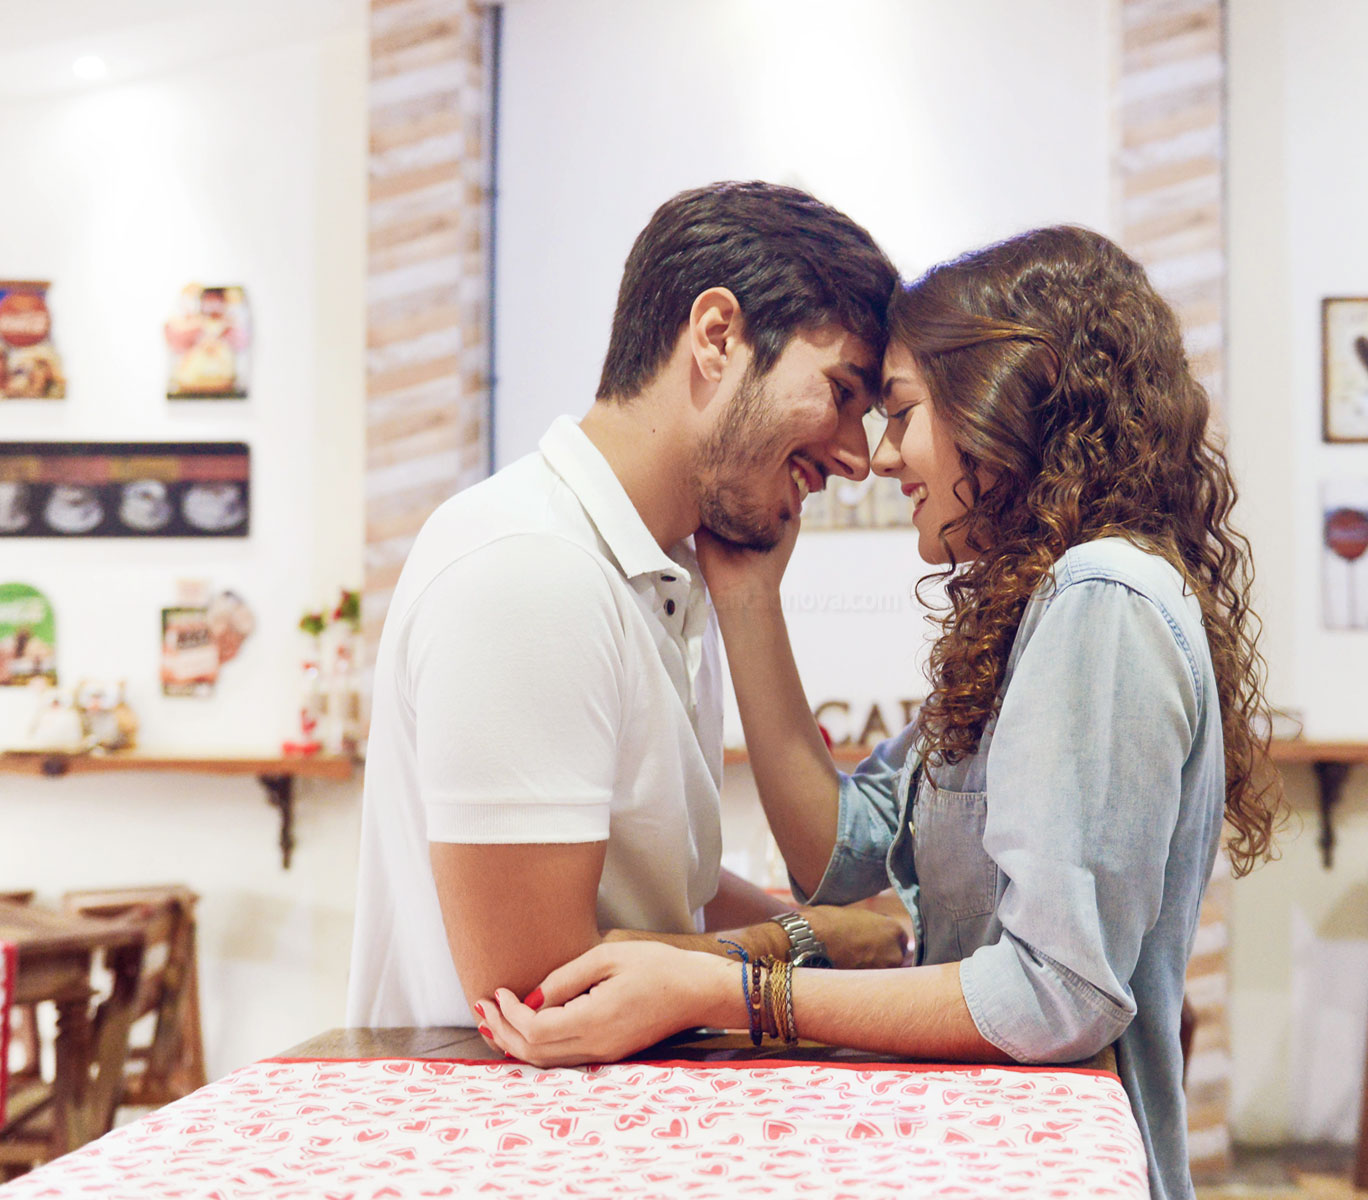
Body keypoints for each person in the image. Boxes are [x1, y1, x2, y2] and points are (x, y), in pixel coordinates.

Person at [476, 226, 1284, 1200]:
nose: (879, 455)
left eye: (898, 412)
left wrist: (726, 987)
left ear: (1002, 400)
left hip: (1050, 1167)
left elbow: (1055, 995)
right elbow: (840, 853)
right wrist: (747, 602)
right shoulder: (1034, 611)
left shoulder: (1099, 595)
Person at [347, 182, 911, 1030]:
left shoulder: (661, 569)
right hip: (495, 1143)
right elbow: (538, 975)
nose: (856, 458)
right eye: (840, 394)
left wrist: (834, 938)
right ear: (717, 337)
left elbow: (664, 896)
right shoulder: (532, 567)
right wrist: (811, 944)